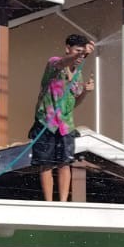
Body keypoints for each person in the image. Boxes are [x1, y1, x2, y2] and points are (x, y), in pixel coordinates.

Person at [32, 32, 95, 202]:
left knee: (64, 163)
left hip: (66, 125)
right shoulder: (54, 64)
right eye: (77, 51)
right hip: (46, 122)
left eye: (82, 52)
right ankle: (48, 202)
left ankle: (63, 203)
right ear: (68, 49)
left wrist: (86, 93)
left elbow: (72, 103)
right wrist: (82, 54)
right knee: (46, 163)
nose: (80, 55)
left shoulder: (78, 75)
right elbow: (63, 63)